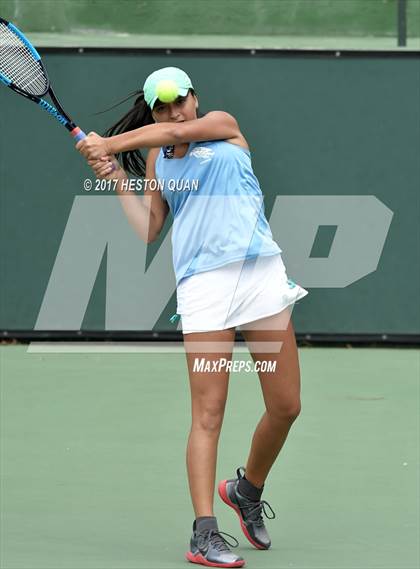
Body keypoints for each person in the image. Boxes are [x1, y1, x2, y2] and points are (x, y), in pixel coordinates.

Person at [77, 66, 308, 568]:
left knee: (286, 406)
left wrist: (110, 145)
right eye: (161, 106)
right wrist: (116, 179)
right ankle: (205, 530)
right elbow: (149, 227)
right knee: (208, 413)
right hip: (205, 288)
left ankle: (246, 489)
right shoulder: (160, 159)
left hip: (261, 277)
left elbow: (180, 133)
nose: (173, 111)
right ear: (153, 110)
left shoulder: (223, 125)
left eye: (179, 100)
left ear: (195, 99)